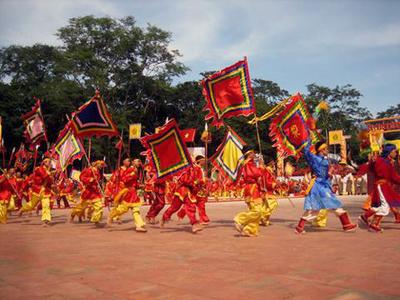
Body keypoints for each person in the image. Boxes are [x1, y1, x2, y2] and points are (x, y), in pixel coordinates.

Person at [295, 141, 357, 234]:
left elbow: (324, 174)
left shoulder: (325, 160)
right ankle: (346, 225)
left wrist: (329, 176)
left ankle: (300, 227)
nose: (327, 150)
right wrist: (308, 141)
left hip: (324, 185)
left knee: (316, 209)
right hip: (318, 186)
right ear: (321, 150)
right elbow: (307, 152)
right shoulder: (315, 158)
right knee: (331, 204)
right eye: (326, 149)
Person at [358, 144, 400, 232]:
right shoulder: (381, 161)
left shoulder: (387, 162)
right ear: (389, 152)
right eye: (394, 151)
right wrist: (372, 162)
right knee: (385, 206)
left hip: (384, 186)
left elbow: (394, 177)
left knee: (383, 206)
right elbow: (372, 169)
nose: (396, 153)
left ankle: (365, 217)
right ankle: (373, 224)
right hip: (381, 186)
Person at [18, 158, 54, 226]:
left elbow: (50, 182)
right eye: (46, 161)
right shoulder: (38, 169)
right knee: (31, 205)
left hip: (46, 191)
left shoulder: (49, 171)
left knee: (46, 205)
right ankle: (22, 210)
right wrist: (49, 172)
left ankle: (45, 220)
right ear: (43, 162)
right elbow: (44, 176)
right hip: (37, 190)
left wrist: (51, 177)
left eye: (49, 161)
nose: (48, 162)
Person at [70, 160, 106, 225]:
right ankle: (73, 214)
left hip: (95, 192)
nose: (101, 166)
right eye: (101, 165)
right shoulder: (89, 170)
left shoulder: (97, 171)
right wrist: (89, 179)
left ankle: (96, 220)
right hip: (88, 192)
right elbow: (81, 177)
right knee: (81, 207)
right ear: (97, 164)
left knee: (99, 206)